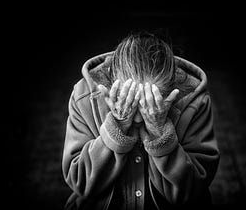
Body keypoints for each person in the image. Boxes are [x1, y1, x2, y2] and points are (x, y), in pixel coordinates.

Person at [62, 32, 220, 210]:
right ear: (110, 85)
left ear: (172, 92)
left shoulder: (195, 101)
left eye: (151, 102)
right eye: (129, 101)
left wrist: (160, 132)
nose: (138, 118)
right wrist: (117, 125)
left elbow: (191, 190)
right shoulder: (84, 96)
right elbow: (80, 182)